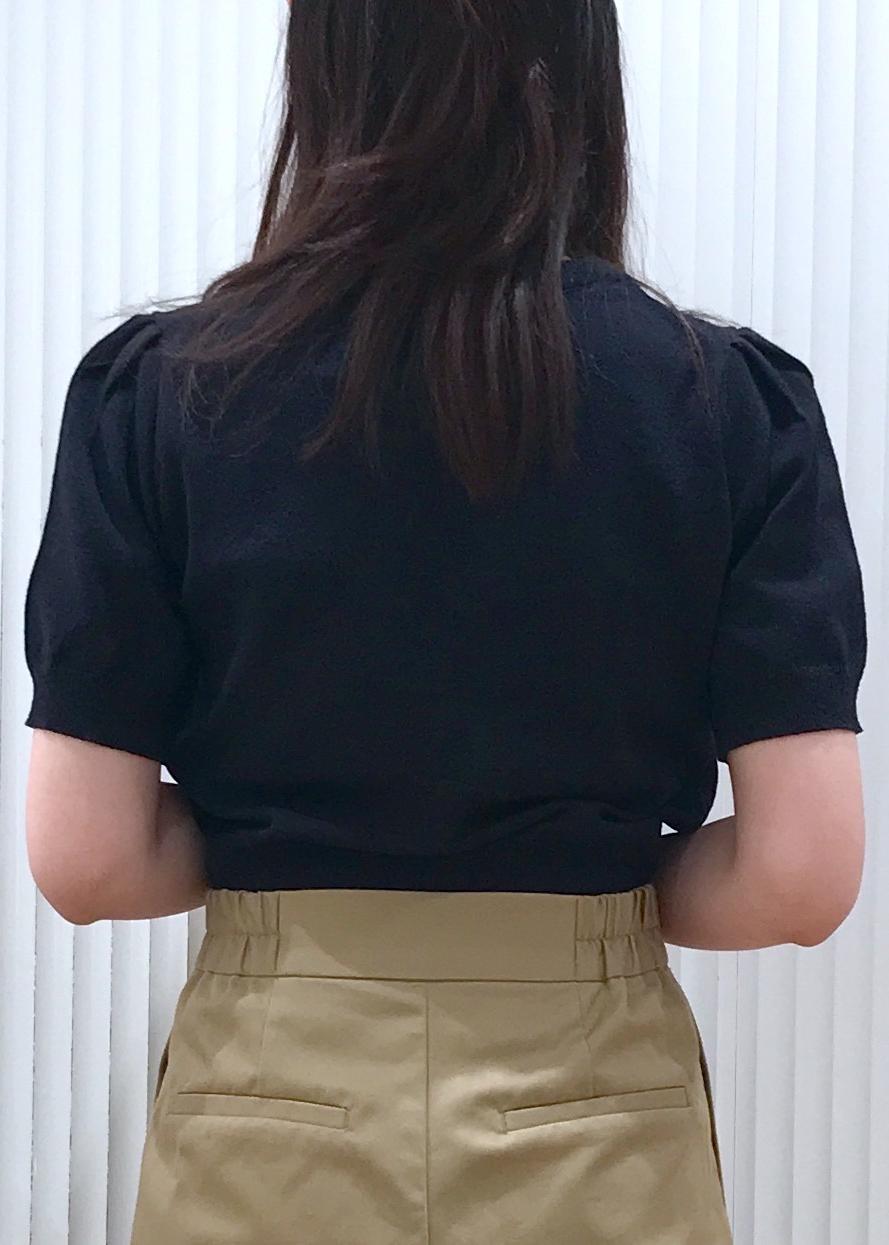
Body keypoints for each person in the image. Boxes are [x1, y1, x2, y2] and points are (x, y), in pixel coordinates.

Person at [22, 3, 867, 1243]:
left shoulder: (159, 394)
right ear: (576, 66)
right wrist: (599, 893)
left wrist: (284, 875)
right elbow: (800, 877)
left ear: (326, 63)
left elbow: (85, 858)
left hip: (265, 1095)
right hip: (596, 1098)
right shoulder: (729, 406)